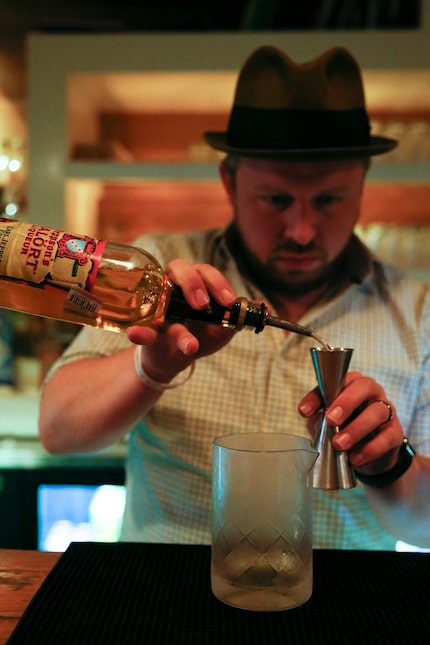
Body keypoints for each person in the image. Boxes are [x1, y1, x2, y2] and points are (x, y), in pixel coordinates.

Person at [39, 44, 430, 550]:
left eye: (329, 199)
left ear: (362, 184)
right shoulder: (163, 270)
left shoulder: (418, 311)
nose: (302, 230)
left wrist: (387, 465)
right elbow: (58, 429)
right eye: (275, 199)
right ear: (229, 180)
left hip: (336, 615)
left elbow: (424, 527)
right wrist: (152, 367)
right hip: (162, 608)